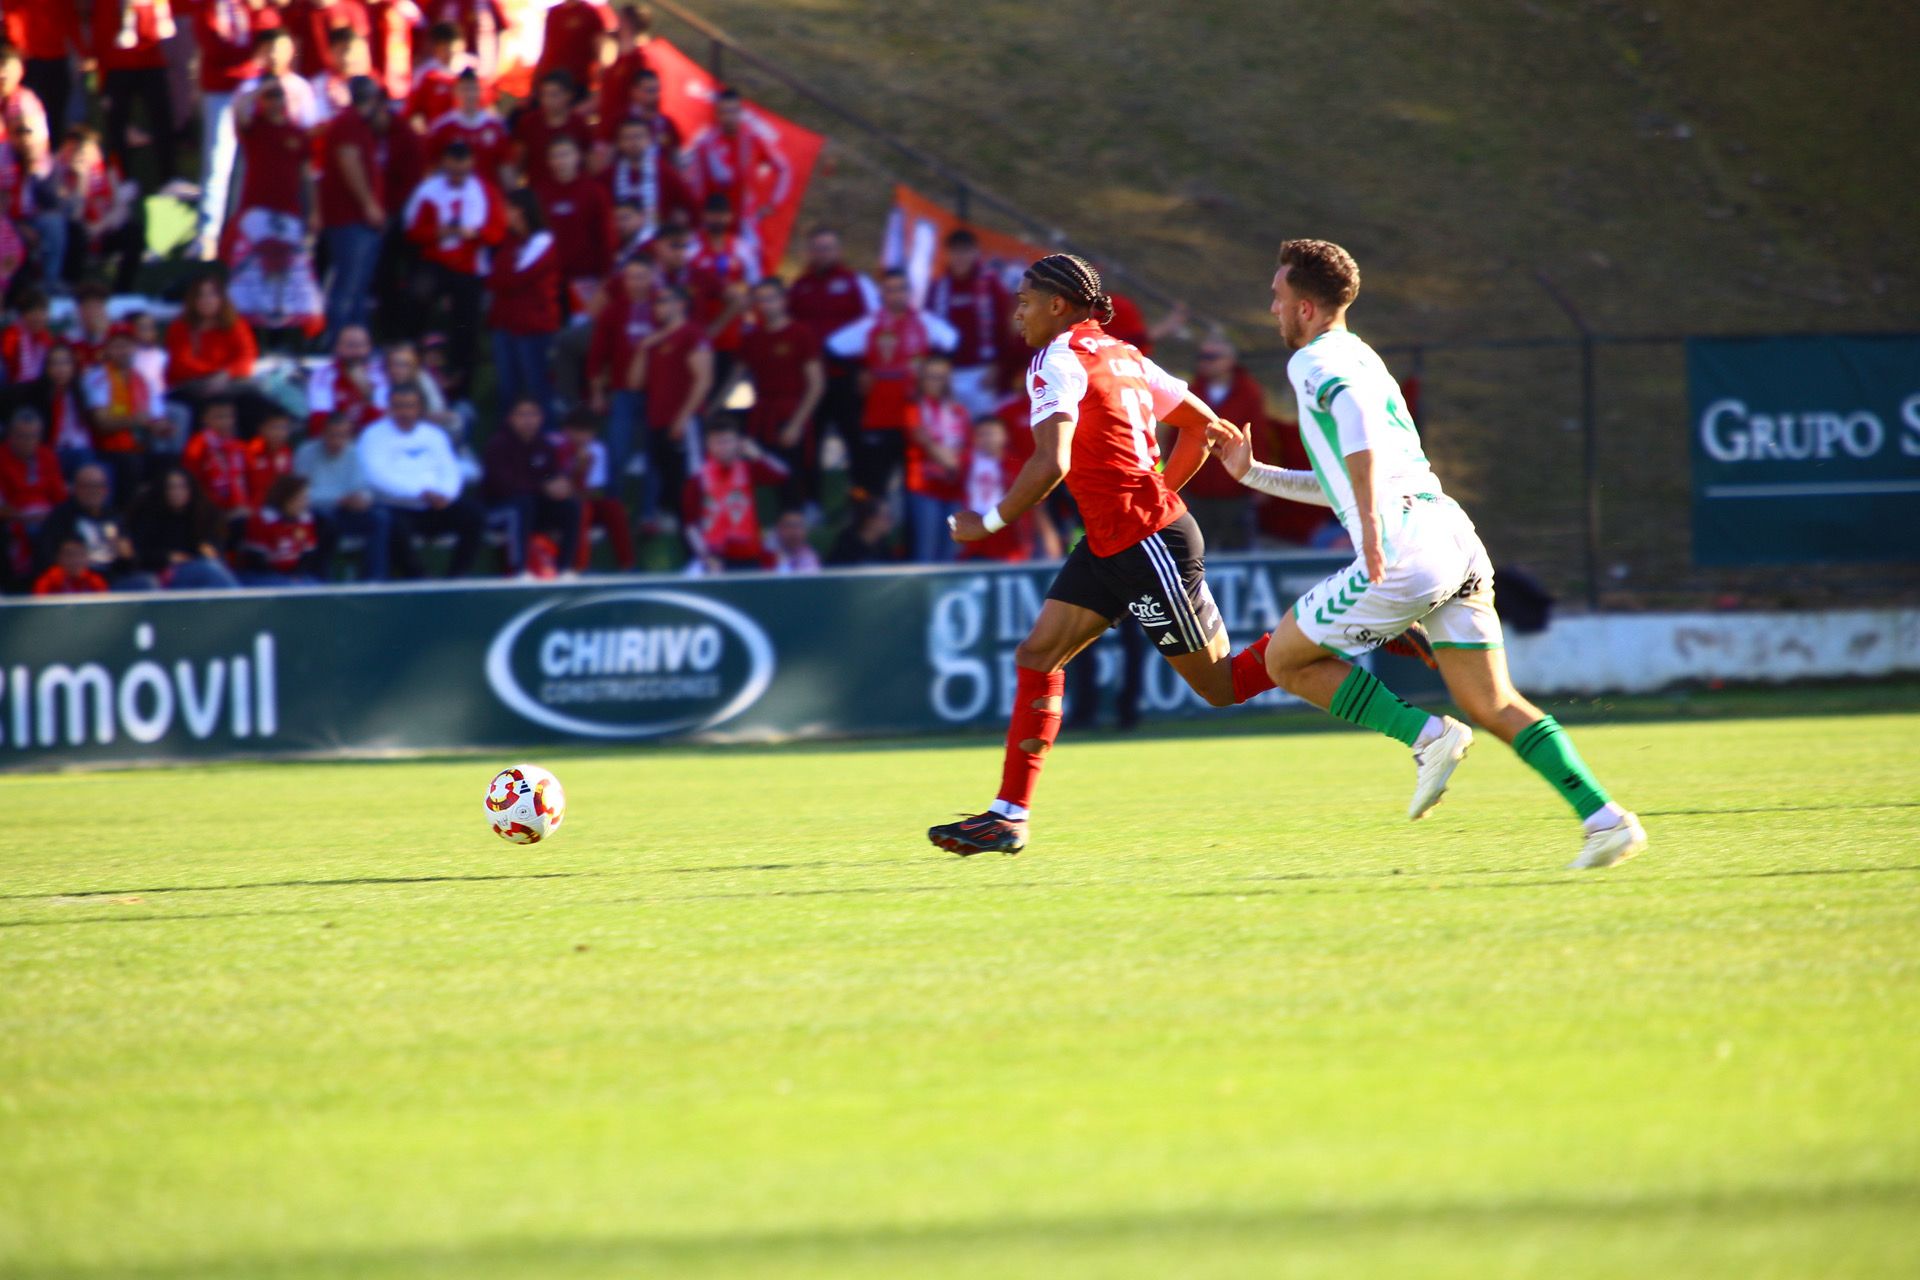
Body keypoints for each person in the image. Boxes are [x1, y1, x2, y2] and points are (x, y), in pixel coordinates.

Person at [1212, 239, 1646, 868]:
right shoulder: (1364, 355)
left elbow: (1356, 429)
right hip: (1453, 535)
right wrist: (1254, 474)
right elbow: (1345, 472)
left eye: (1277, 298)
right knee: (1494, 703)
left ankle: (1426, 735)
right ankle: (1605, 819)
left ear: (1306, 308)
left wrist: (1365, 522)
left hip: (1403, 547)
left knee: (1285, 661)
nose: (1271, 308)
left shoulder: (1312, 361)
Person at [930, 254, 1274, 857]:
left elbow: (1052, 461)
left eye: (1026, 301)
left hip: (1146, 542)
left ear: (1058, 306)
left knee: (1222, 686)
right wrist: (1161, 486)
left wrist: (987, 522)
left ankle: (1345, 629)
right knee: (1039, 653)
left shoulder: (1055, 359)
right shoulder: (1125, 356)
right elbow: (1205, 426)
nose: (1018, 314)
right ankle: (1009, 816)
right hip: (1113, 539)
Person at [826, 268, 958, 500]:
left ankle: (910, 532)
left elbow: (953, 343)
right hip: (880, 415)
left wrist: (935, 374)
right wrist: (858, 372)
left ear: (909, 292)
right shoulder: (871, 323)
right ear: (882, 294)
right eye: (890, 290)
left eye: (901, 289)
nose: (896, 295)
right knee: (874, 482)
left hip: (916, 417)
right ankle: (869, 526)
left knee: (916, 484)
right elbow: (833, 347)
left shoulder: (924, 322)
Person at [401, 138, 504, 396]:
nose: (458, 170)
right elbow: (412, 230)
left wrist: (475, 234)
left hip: (469, 268)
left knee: (465, 328)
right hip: (435, 263)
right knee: (417, 300)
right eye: (453, 163)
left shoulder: (485, 190)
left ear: (471, 162)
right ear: (444, 162)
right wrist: (439, 232)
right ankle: (412, 370)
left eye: (463, 163)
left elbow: (497, 230)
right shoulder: (428, 190)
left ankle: (462, 390)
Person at [226, 79, 323, 336]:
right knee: (253, 269)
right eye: (269, 97)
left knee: (285, 271)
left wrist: (312, 211)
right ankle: (251, 330)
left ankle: (283, 330)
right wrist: (259, 90)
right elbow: (237, 111)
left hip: (288, 211)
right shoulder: (254, 128)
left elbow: (306, 177)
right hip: (255, 211)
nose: (274, 102)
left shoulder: (298, 134)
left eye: (278, 96)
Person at [356, 383, 483, 577]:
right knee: (392, 525)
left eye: (410, 405)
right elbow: (376, 476)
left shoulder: (434, 435)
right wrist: (420, 493)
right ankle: (420, 580)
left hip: (436, 505)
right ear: (389, 408)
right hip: (397, 507)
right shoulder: (373, 435)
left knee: (474, 514)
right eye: (399, 406)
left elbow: (450, 470)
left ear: (419, 408)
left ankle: (457, 578)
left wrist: (445, 494)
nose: (405, 411)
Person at [739, 277, 824, 509]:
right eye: (760, 300)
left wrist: (797, 423)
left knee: (792, 474)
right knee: (764, 470)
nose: (766, 305)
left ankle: (800, 517)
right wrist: (714, 408)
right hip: (762, 414)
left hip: (790, 412)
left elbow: (816, 384)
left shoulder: (801, 333)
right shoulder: (753, 338)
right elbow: (737, 375)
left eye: (771, 299)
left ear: (783, 300)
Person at [630, 284, 711, 528]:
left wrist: (683, 417)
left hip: (683, 422)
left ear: (680, 304)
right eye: (656, 302)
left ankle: (700, 527)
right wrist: (643, 348)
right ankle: (676, 523)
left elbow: (704, 379)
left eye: (665, 301)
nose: (659, 307)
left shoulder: (692, 334)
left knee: (690, 478)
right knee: (666, 477)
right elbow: (635, 383)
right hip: (656, 421)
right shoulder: (654, 340)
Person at [192, 0, 268, 258]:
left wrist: (258, 11)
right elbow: (214, 48)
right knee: (217, 163)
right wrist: (250, 55)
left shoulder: (254, 7)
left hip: (253, 88)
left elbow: (271, 35)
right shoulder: (209, 7)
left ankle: (239, 232)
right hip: (220, 90)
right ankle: (208, 234)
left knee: (249, 165)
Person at [1179, 336, 1268, 552]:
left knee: (1239, 551)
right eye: (1202, 357)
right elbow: (1176, 436)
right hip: (1196, 491)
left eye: (1211, 357)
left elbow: (1259, 436)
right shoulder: (1190, 391)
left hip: (1236, 492)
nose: (1204, 362)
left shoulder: (1249, 393)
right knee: (1194, 551)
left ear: (1229, 360)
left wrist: (1261, 481)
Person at [317, 76, 389, 340]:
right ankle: (337, 342)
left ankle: (359, 344)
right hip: (350, 218)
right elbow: (349, 163)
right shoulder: (348, 123)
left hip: (358, 218)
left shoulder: (362, 126)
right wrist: (369, 205)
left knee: (358, 288)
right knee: (348, 285)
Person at [682, 87, 789, 256]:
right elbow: (697, 186)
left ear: (740, 112)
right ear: (717, 114)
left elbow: (783, 168)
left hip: (745, 219)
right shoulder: (706, 144)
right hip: (714, 221)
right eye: (724, 112)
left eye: (733, 111)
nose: (729, 117)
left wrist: (772, 205)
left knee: (754, 264)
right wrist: (699, 217)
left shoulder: (752, 138)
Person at [482, 397, 579, 574]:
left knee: (570, 506)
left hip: (534, 509)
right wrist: (543, 486)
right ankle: (520, 569)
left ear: (541, 418)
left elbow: (547, 472)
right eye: (522, 414)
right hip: (497, 510)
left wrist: (559, 482)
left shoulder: (541, 446)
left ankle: (565, 568)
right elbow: (504, 485)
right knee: (521, 505)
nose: (528, 420)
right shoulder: (498, 445)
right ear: (511, 418)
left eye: (533, 414)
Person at [487, 188, 561, 416]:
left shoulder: (543, 241)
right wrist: (502, 278)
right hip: (505, 325)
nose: (503, 213)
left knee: (538, 390)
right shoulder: (508, 241)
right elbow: (495, 279)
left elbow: (512, 279)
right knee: (507, 391)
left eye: (507, 208)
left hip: (533, 329)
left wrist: (502, 278)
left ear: (520, 210)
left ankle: (546, 442)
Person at [585, 252, 656, 487]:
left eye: (643, 276)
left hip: (657, 392)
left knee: (653, 455)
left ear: (652, 277)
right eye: (632, 277)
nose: (637, 282)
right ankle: (612, 505)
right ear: (624, 279)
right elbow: (597, 355)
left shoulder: (664, 306)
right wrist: (596, 392)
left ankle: (650, 514)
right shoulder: (613, 311)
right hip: (622, 391)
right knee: (617, 451)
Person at [681, 416, 787, 573]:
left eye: (728, 441)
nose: (723, 447)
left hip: (749, 556)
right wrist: (706, 557)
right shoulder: (698, 479)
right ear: (708, 445)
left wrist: (758, 455)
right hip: (714, 560)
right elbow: (690, 524)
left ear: (738, 442)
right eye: (717, 442)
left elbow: (781, 475)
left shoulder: (749, 469)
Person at [164, 273, 268, 429]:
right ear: (193, 300)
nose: (207, 301)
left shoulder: (236, 325)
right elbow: (180, 364)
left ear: (221, 299)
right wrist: (215, 374)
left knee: (253, 397)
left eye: (212, 295)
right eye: (201, 296)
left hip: (227, 381)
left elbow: (246, 357)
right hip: (193, 385)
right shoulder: (180, 327)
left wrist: (225, 375)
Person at [295, 409, 390, 579]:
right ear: (323, 433)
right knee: (325, 519)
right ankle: (321, 577)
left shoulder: (353, 453)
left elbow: (362, 486)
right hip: (318, 514)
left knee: (380, 518)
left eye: (343, 436)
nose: (338, 441)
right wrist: (338, 499)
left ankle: (374, 579)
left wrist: (363, 499)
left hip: (346, 512)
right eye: (333, 435)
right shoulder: (306, 452)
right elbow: (301, 495)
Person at [927, 228, 1012, 416]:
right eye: (955, 251)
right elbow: (930, 333)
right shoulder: (938, 288)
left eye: (965, 251)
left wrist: (998, 367)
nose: (960, 257)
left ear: (975, 253)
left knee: (983, 429)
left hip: (983, 373)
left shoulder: (991, 286)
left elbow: (1005, 329)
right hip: (949, 374)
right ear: (947, 254)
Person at [53, 125, 145, 291]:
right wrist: (81, 181)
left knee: (133, 231)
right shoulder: (58, 172)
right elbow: (73, 215)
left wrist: (100, 227)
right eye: (75, 150)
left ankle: (123, 289)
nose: (81, 156)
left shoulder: (107, 170)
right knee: (76, 231)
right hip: (75, 235)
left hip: (102, 231)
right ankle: (71, 287)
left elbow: (120, 208)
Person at [79, 328, 169, 496]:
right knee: (131, 464)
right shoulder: (97, 377)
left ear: (135, 348)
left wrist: (162, 427)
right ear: (108, 349)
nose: (123, 351)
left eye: (127, 346)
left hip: (140, 446)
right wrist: (133, 420)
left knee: (170, 461)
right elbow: (101, 423)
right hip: (107, 449)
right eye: (117, 346)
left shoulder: (144, 380)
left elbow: (157, 417)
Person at [91, 0, 176, 177]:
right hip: (116, 63)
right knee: (116, 125)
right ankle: (120, 178)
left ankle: (168, 176)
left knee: (162, 119)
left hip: (150, 60)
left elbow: (158, 27)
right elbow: (99, 25)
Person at [34, 464, 152, 590]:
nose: (93, 491)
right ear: (75, 489)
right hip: (79, 583)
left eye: (97, 486)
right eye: (86, 486)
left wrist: (128, 555)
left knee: (145, 582)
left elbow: (129, 562)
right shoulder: (61, 517)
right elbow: (47, 557)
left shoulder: (114, 517)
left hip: (111, 582)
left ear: (105, 490)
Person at [529, 133, 610, 310]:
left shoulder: (594, 192)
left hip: (586, 279)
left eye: (565, 154)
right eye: (555, 156)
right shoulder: (539, 193)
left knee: (581, 332)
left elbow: (606, 236)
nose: (561, 161)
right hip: (549, 279)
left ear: (577, 157)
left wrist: (605, 278)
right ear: (548, 161)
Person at [126, 467, 242, 589]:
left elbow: (214, 549)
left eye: (182, 487)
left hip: (196, 569)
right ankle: (240, 603)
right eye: (172, 487)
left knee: (214, 569)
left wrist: (209, 550)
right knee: (210, 569)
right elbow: (139, 555)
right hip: (163, 575)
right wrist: (168, 557)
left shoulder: (203, 515)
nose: (177, 492)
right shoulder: (150, 517)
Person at [902, 354, 969, 563]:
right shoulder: (913, 408)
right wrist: (950, 462)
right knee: (926, 551)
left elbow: (968, 444)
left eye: (941, 377)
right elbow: (921, 438)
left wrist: (956, 464)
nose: (936, 382)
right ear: (921, 379)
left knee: (952, 549)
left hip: (955, 487)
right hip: (924, 487)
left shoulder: (958, 410)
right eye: (931, 377)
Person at [556, 409, 633, 572]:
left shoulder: (597, 449)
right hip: (559, 504)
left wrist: (583, 469)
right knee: (580, 509)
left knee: (614, 508)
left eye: (587, 432)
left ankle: (627, 565)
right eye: (578, 431)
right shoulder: (556, 447)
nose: (583, 437)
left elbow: (598, 490)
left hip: (587, 498)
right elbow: (560, 486)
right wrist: (577, 469)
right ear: (567, 431)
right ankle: (579, 567)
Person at [600, 114, 693, 244]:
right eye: (627, 138)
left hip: (656, 245)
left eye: (638, 136)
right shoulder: (608, 175)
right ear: (619, 143)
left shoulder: (664, 171)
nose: (633, 142)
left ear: (649, 140)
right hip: (618, 245)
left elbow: (690, 205)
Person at [956, 416, 1035, 563]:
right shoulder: (965, 461)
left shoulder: (1015, 465)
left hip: (1005, 530)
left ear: (1004, 436)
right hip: (974, 528)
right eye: (981, 434)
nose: (987, 439)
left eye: (992, 433)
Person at [510, 69, 594, 189]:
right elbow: (518, 160)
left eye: (554, 95)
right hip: (538, 192)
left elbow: (588, 160)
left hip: (573, 191)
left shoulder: (578, 124)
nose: (548, 100)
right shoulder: (529, 123)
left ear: (568, 95)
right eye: (544, 95)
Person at [181, 396, 254, 532]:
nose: (226, 422)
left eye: (229, 417)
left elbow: (251, 481)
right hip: (209, 514)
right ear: (205, 419)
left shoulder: (240, 448)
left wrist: (249, 508)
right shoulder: (197, 447)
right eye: (219, 417)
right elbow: (193, 484)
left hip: (242, 511)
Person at [426, 68, 509, 184]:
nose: (469, 94)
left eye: (473, 89)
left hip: (486, 197)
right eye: (465, 89)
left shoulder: (495, 126)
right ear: (456, 92)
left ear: (480, 91)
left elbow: (504, 167)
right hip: (453, 197)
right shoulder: (443, 127)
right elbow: (431, 167)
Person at [534, 0, 614, 100]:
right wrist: (536, 82)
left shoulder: (590, 13)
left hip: (576, 84)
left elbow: (600, 51)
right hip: (549, 82)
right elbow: (546, 49)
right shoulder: (553, 13)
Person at [31, 536, 108, 594]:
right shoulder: (47, 582)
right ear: (58, 557)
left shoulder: (96, 582)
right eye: (69, 555)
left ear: (87, 557)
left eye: (80, 554)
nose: (75, 560)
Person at [766, 508, 819, 574]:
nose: (794, 532)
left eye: (799, 526)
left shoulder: (809, 556)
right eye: (789, 526)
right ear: (778, 529)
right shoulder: (766, 552)